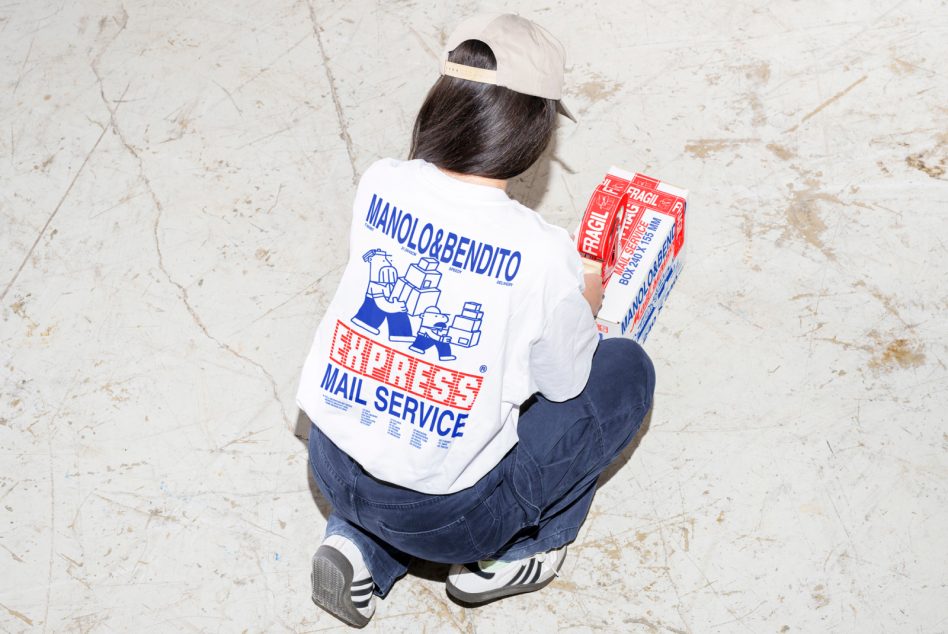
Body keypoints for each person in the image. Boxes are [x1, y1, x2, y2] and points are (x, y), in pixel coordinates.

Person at [296, 13, 655, 628]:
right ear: (533, 132)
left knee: (411, 429)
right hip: (448, 517)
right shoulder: (541, 252)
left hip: (330, 459)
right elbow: (565, 384)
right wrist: (581, 303)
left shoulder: (380, 181)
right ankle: (513, 555)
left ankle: (359, 546)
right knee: (624, 370)